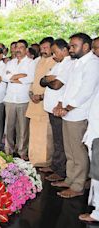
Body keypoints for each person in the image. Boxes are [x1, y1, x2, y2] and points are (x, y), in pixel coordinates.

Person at [52, 33, 99, 198]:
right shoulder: (75, 63)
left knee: (78, 153)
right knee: (70, 151)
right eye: (70, 46)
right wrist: (59, 104)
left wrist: (68, 107)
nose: (70, 49)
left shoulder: (92, 64)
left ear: (85, 46)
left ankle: (78, 186)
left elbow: (85, 91)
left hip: (78, 114)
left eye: (74, 46)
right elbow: (66, 87)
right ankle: (70, 179)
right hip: (67, 113)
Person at [40, 38, 74, 182]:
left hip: (59, 108)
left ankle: (61, 171)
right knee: (56, 140)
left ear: (64, 50)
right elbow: (43, 81)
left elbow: (56, 85)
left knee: (60, 141)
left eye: (55, 52)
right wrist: (49, 78)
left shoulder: (69, 64)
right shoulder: (58, 64)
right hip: (51, 108)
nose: (53, 55)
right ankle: (55, 166)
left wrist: (49, 79)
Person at [26, 37, 57, 167]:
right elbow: (34, 81)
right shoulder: (38, 61)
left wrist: (41, 96)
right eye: (42, 48)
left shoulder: (56, 62)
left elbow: (55, 85)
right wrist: (32, 93)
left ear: (52, 48)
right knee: (34, 133)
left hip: (46, 103)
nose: (43, 50)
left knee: (45, 135)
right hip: (34, 102)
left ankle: (45, 162)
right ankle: (33, 159)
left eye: (46, 48)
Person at [3, 40, 35, 160]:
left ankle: (22, 151)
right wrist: (19, 76)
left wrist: (12, 77)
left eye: (21, 47)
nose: (18, 49)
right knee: (9, 127)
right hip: (10, 98)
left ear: (26, 50)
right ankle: (8, 150)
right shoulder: (10, 62)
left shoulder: (31, 63)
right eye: (16, 47)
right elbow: (4, 77)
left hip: (23, 99)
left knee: (23, 128)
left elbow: (30, 78)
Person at [79, 37, 99, 223]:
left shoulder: (92, 65)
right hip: (94, 129)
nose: (95, 51)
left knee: (98, 171)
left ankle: (97, 213)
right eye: (94, 48)